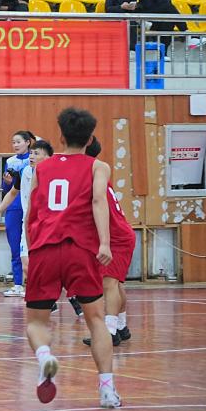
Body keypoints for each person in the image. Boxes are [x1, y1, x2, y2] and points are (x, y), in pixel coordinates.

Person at [23, 107, 121, 409]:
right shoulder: (98, 166)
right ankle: (107, 390)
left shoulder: (42, 168)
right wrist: (104, 243)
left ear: (61, 137)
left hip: (45, 248)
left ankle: (45, 356)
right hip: (80, 249)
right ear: (90, 139)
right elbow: (98, 201)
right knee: (96, 320)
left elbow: (31, 213)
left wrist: (30, 251)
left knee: (36, 322)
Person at [81, 136, 136, 348]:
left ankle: (110, 332)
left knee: (109, 283)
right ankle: (121, 326)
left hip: (117, 237)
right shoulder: (98, 173)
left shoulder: (93, 174)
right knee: (116, 283)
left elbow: (96, 203)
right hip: (120, 234)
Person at [0, 137, 52, 298]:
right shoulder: (24, 172)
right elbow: (12, 193)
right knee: (26, 265)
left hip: (48, 224)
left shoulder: (54, 174)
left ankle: (66, 295)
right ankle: (42, 297)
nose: (32, 156)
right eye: (31, 153)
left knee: (52, 264)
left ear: (47, 158)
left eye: (36, 153)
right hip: (28, 223)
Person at [0, 130, 35, 297]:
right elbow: (8, 190)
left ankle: (35, 284)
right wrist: (7, 182)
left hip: (31, 207)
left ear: (28, 142)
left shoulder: (34, 161)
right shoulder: (10, 161)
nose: (15, 145)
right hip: (14, 207)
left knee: (34, 248)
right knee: (16, 245)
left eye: (18, 142)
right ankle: (18, 284)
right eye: (13, 142)